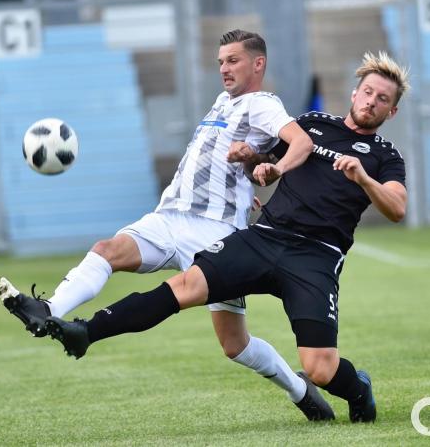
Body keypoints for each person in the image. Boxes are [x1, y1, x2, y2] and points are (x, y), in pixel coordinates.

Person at [41, 51, 410, 423]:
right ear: (354, 93)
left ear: (391, 112)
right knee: (185, 286)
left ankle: (359, 389)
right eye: (367, 92)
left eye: (382, 99)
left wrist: (364, 178)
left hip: (315, 257)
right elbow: (263, 164)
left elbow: (397, 208)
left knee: (319, 369)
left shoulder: (384, 156)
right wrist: (253, 159)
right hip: (265, 237)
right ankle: (87, 332)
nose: (371, 102)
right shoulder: (312, 123)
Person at [0, 30, 335, 421]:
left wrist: (273, 168)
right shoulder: (223, 102)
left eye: (234, 60)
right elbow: (230, 159)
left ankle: (300, 391)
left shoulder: (261, 104)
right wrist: (248, 176)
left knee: (234, 345)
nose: (224, 68)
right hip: (170, 216)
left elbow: (302, 143)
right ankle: (48, 308)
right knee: (107, 250)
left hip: (216, 233)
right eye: (221, 61)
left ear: (258, 64)